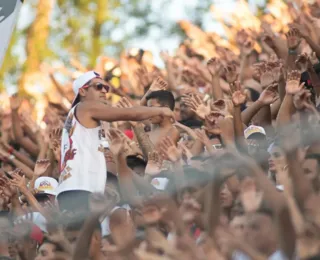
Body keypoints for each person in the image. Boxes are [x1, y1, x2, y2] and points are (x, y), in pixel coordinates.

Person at [57, 71, 174, 213]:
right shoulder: (85, 106)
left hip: (74, 190)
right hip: (81, 190)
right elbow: (131, 113)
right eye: (98, 86)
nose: (104, 91)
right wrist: (161, 110)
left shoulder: (82, 120)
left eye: (106, 88)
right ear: (82, 91)